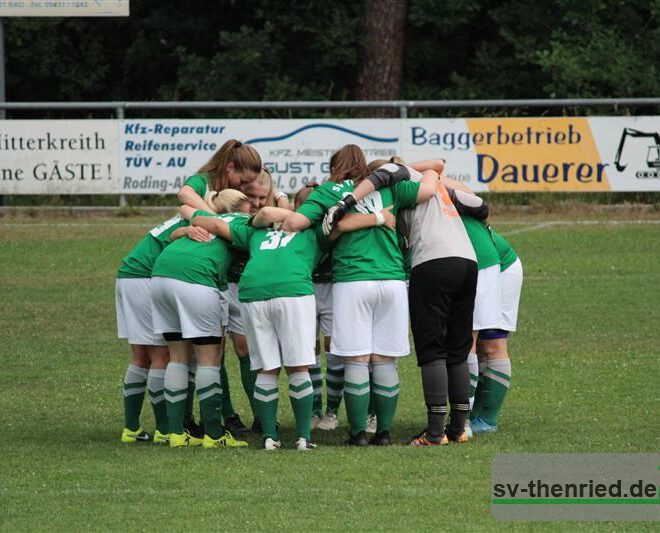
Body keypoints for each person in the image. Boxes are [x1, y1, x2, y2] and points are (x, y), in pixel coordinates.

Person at [282, 144, 439, 446]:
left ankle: (357, 434)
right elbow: (429, 188)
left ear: (333, 167)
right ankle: (383, 433)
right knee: (384, 361)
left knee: (355, 360)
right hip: (392, 280)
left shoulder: (328, 191)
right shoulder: (389, 186)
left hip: (352, 281)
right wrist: (411, 169)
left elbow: (294, 223)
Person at [191, 202, 322, 450]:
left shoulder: (255, 230)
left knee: (266, 368)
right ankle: (304, 437)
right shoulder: (313, 228)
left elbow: (212, 222)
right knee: (299, 367)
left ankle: (269, 437)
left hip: (252, 291)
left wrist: (193, 221)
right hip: (293, 290)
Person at [151, 190, 251, 449]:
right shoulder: (242, 223)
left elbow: (178, 225)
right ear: (243, 209)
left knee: (178, 357)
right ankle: (214, 435)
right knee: (209, 358)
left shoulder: (201, 218)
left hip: (160, 275)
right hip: (195, 279)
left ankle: (175, 433)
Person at [116, 209, 214, 445]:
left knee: (140, 355)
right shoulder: (201, 219)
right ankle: (165, 430)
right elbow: (179, 233)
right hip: (145, 277)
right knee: (163, 354)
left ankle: (131, 428)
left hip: (130, 274)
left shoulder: (189, 213)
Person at [223, 168, 291, 433]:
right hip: (226, 283)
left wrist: (281, 199)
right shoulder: (232, 211)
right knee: (225, 352)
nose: (258, 203)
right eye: (252, 196)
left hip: (252, 288)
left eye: (264, 197)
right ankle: (228, 415)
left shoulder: (272, 213)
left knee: (249, 353)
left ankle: (262, 418)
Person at [470, 227, 522, 433]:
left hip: (500, 267)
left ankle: (487, 419)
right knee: (479, 344)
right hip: (478, 268)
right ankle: (474, 414)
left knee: (492, 343)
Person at [178, 139, 262, 211]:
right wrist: (214, 217)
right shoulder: (202, 180)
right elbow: (184, 194)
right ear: (230, 167)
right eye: (242, 181)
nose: (243, 188)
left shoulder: (234, 188)